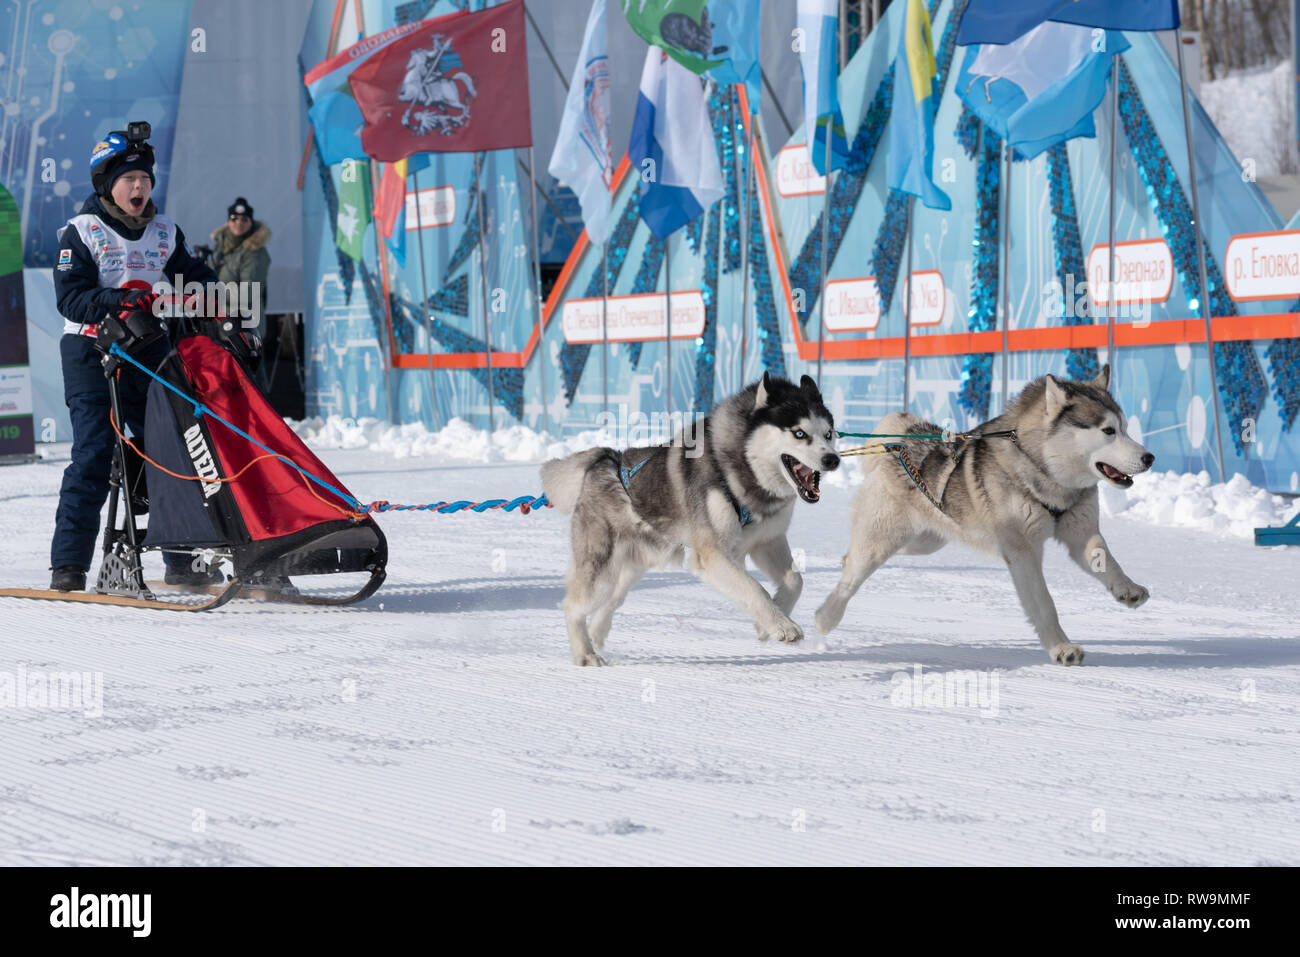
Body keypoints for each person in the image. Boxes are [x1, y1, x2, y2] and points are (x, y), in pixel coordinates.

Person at [50, 124, 225, 592]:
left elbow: (197, 278)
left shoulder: (165, 232)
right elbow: (70, 299)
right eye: (129, 179)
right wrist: (118, 303)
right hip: (91, 351)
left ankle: (181, 560)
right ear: (108, 184)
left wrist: (221, 310)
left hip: (148, 350)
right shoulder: (81, 232)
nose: (139, 188)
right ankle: (68, 566)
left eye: (145, 179)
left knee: (174, 446)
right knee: (93, 452)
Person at [209, 196, 270, 349]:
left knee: (248, 373)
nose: (239, 223)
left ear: (251, 222)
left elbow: (249, 292)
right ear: (228, 221)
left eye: (244, 219)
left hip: (246, 330)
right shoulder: (222, 246)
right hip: (223, 326)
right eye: (234, 218)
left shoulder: (255, 252)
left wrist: (213, 293)